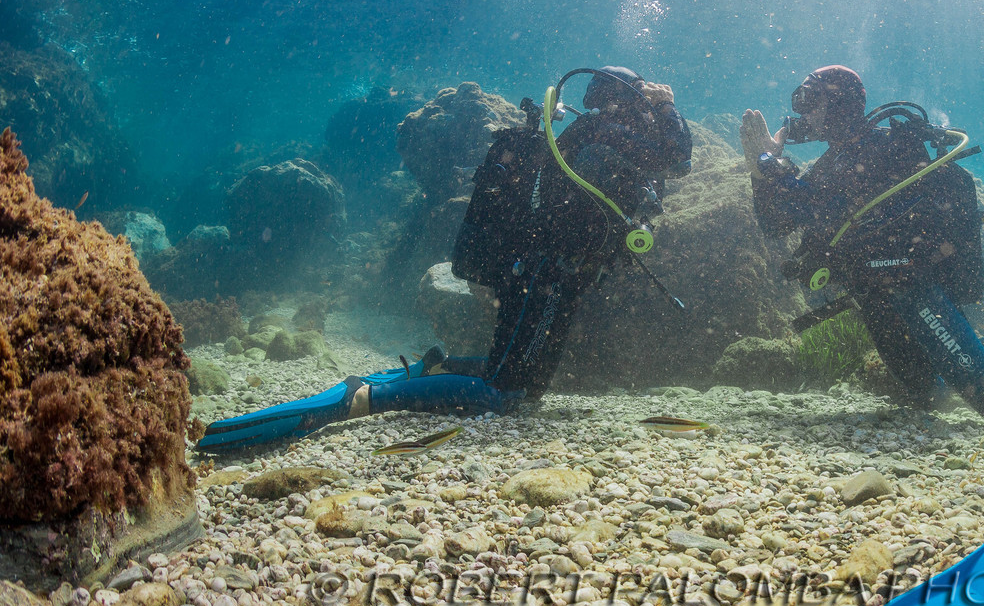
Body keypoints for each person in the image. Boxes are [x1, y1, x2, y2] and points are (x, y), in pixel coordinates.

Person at [197, 66, 691, 451]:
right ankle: (362, 398)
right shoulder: (603, 133)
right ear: (621, 99)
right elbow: (679, 154)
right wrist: (667, 106)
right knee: (502, 391)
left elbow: (662, 167)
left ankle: (425, 371)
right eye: (640, 97)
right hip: (542, 271)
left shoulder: (610, 139)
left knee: (527, 390)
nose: (649, 105)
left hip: (563, 274)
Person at [740, 65, 984, 428]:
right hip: (872, 297)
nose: (801, 113)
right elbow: (779, 223)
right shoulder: (833, 161)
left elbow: (818, 207)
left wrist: (768, 161)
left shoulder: (879, 149)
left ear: (837, 105)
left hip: (912, 290)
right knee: (930, 395)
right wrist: (759, 172)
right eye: (800, 101)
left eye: (810, 100)